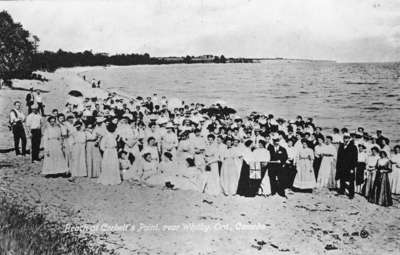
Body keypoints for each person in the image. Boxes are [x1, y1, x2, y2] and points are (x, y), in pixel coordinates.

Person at [335, 133, 358, 199]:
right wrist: (338, 166)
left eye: (347, 138)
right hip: (342, 166)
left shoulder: (353, 147)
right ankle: (342, 191)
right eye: (344, 138)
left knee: (351, 180)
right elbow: (339, 157)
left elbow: (355, 158)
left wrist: (352, 168)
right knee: (342, 178)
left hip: (349, 166)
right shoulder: (341, 146)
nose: (345, 139)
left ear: (349, 138)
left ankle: (351, 194)